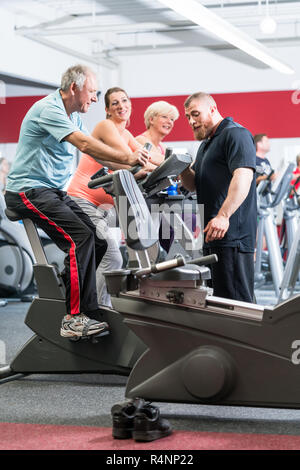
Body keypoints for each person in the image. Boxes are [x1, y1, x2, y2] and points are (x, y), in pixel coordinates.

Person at [4, 65, 149, 338]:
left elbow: (102, 158)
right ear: (74, 88)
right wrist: (127, 158)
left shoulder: (73, 117)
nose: (95, 99)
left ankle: (84, 304)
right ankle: (73, 319)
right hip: (28, 191)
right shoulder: (50, 109)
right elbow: (84, 144)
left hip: (52, 191)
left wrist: (130, 168)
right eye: (92, 92)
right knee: (79, 238)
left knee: (99, 240)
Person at [67, 87, 159, 307]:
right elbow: (131, 159)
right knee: (113, 256)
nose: (121, 106)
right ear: (107, 109)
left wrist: (176, 167)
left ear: (130, 105)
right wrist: (147, 167)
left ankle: (119, 299)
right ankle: (99, 311)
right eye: (115, 103)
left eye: (124, 101)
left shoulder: (126, 134)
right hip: (83, 202)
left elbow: (151, 158)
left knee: (144, 234)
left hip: (104, 209)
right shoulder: (105, 126)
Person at [180, 92, 257, 303]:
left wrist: (223, 215)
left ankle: (247, 337)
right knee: (219, 302)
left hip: (233, 236)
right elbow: (194, 185)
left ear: (212, 109)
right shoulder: (206, 144)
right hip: (213, 235)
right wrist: (182, 168)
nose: (191, 121)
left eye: (195, 114)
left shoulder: (236, 134)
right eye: (188, 117)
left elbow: (243, 176)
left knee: (237, 303)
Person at [135, 101, 180, 252]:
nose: (169, 122)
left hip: (160, 201)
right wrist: (173, 169)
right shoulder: (140, 141)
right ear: (151, 119)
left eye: (172, 119)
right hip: (144, 201)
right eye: (165, 117)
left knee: (174, 228)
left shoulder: (164, 148)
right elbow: (148, 167)